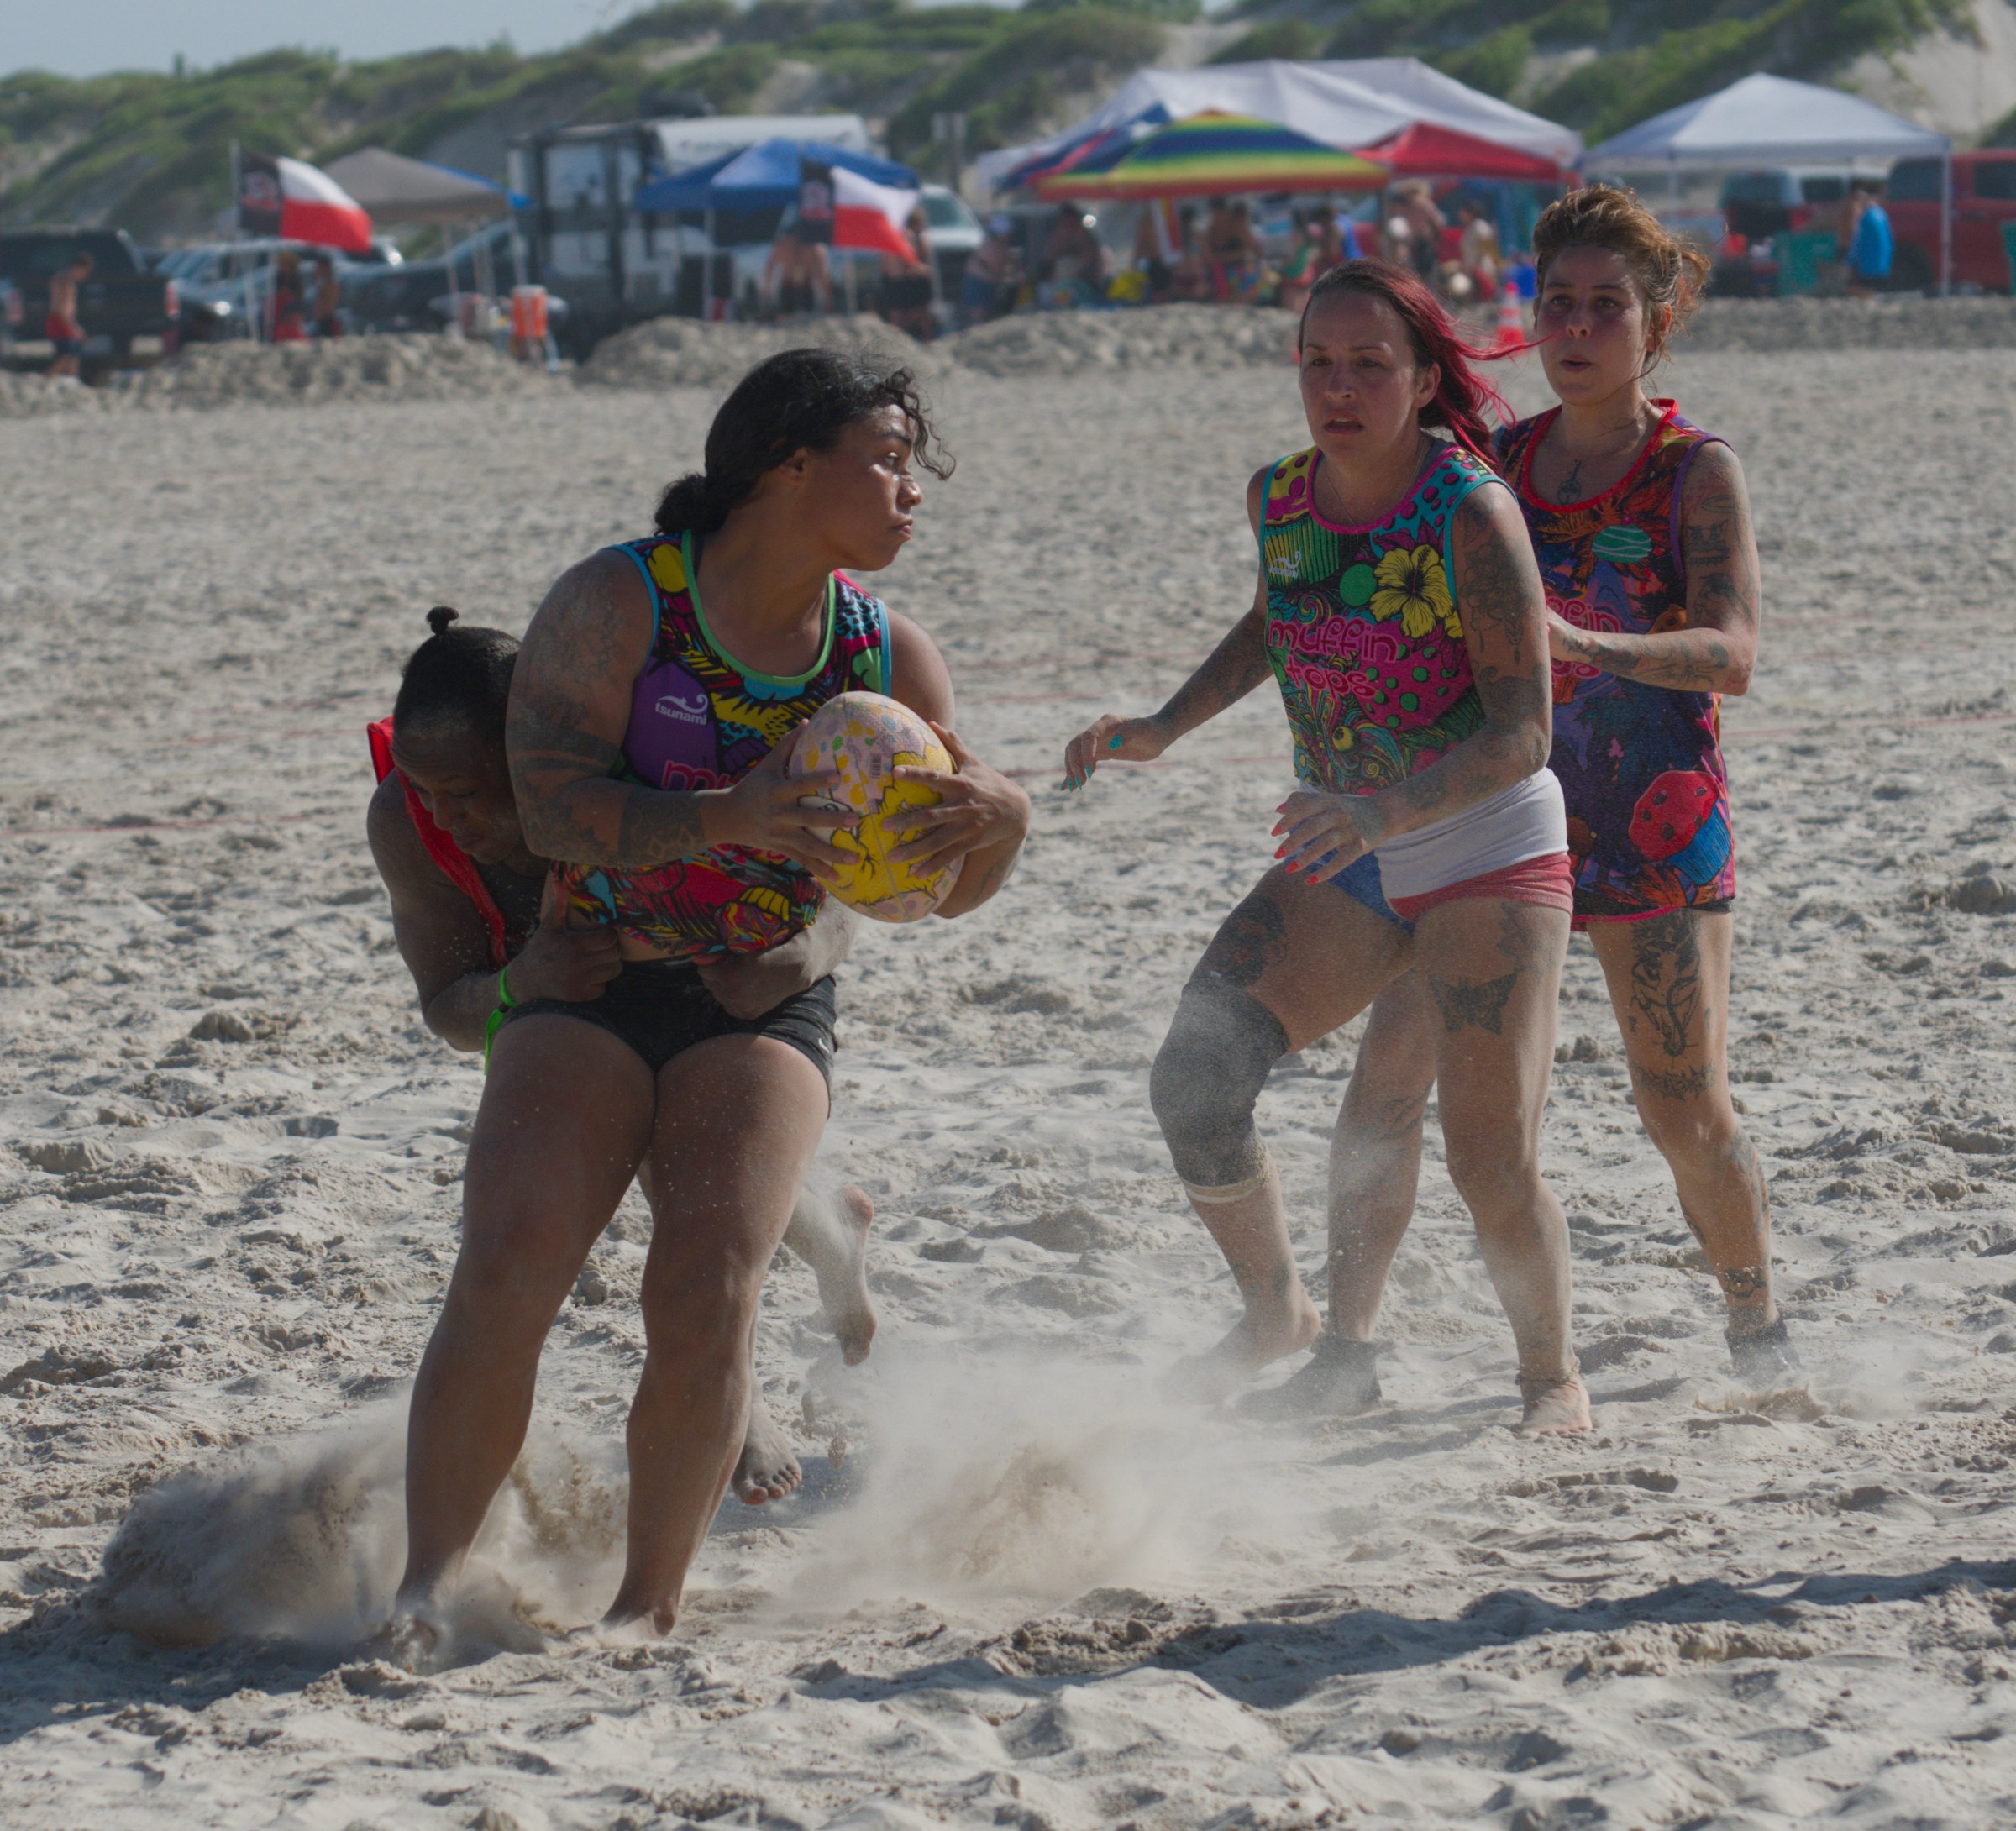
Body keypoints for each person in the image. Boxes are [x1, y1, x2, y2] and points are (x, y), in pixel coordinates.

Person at [386, 349, 1032, 1646]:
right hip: (594, 979)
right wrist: (732, 813)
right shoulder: (621, 601)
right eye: (886, 462)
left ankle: (646, 1608)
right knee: (506, 1269)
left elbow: (925, 894)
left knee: (706, 1288)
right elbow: (551, 807)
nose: (911, 491)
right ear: (789, 467)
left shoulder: (884, 654)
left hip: (759, 1002)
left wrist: (1002, 829)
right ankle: (422, 1592)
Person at [1282, 182, 1787, 1416]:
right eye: (1557, 302)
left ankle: (1757, 1326)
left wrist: (1587, 644)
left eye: (1606, 305)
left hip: (1652, 821)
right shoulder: (1489, 464)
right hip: (1487, 827)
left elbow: (1734, 654)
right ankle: (1345, 1354)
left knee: (1684, 1109)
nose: (1575, 327)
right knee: (1387, 1088)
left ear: (1657, 319)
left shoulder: (1692, 470)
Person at [1063, 260, 1588, 1436]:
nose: (1339, 388)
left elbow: (1524, 732)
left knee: (1488, 1158)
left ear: (1423, 379)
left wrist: (1382, 812)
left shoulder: (1470, 510)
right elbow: (1274, 619)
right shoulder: (1282, 498)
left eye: (1369, 365)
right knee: (1195, 1079)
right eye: (1318, 363)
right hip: (1352, 847)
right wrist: (1165, 724)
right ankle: (1277, 1314)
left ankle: (1552, 1378)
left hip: (1483, 846)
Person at [365, 606, 879, 1507]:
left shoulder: (635, 764)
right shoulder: (410, 823)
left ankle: (831, 1252)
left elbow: (842, 876)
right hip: (553, 992)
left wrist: (799, 958)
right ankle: (771, 1348)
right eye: (424, 788)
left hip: (728, 967)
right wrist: (523, 978)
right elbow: (447, 1007)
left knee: (703, 1179)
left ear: (533, 753)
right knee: (643, 1150)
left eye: (469, 790)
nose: (446, 815)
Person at [879, 207, 936, 340]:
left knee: (901, 317)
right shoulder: (907, 235)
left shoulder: (895, 233)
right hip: (901, 281)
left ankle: (902, 342)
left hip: (895, 280)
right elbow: (909, 260)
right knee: (915, 316)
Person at [764, 223, 832, 319]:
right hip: (791, 287)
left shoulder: (813, 248)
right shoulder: (783, 246)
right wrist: (828, 299)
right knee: (792, 318)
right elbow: (823, 275)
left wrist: (828, 299)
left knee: (802, 318)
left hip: (801, 287)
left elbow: (822, 274)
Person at [962, 214, 1018, 323]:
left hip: (984, 281)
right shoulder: (994, 247)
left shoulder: (999, 246)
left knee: (984, 311)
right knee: (978, 311)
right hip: (979, 281)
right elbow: (996, 268)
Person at [45, 251, 89, 381]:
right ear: (78, 267)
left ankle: (72, 382)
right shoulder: (66, 282)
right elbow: (63, 308)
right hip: (61, 322)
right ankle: (45, 379)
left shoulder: (60, 278)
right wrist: (75, 328)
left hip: (59, 320)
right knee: (66, 357)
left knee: (74, 355)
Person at [1845, 179, 1893, 297]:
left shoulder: (1866, 217)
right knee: (1877, 289)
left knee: (1858, 290)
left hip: (1868, 265)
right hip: (1883, 263)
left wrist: (1849, 262)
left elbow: (1858, 243)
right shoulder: (1881, 213)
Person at [269, 249, 307, 342]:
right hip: (280, 308)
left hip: (290, 308)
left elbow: (298, 296)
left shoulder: (296, 279)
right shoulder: (279, 277)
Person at [309, 255, 342, 338]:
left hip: (326, 320)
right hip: (321, 320)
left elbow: (328, 305)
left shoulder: (332, 285)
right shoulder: (324, 283)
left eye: (319, 267)